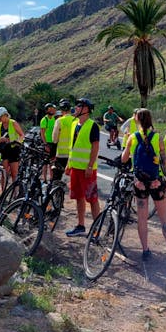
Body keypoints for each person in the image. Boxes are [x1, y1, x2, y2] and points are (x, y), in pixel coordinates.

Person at [121, 108, 166, 263]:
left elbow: (124, 159)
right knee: (164, 217)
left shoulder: (132, 137)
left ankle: (145, 250)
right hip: (156, 181)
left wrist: (126, 141)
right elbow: (163, 160)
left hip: (139, 183)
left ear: (137, 120)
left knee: (142, 217)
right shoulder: (158, 137)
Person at [65, 97, 101, 237]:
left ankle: (96, 230)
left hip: (87, 169)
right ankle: (80, 226)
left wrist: (90, 166)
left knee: (92, 199)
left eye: (79, 106)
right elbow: (73, 146)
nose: (76, 108)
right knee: (78, 197)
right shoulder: (75, 124)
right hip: (75, 167)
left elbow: (95, 147)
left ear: (86, 109)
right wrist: (69, 163)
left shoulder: (93, 126)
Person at [0, 107, 25, 185]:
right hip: (4, 150)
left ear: (5, 115)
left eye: (0, 117)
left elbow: (22, 135)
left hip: (14, 149)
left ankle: (15, 193)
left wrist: (18, 142)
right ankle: (3, 192)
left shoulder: (13, 123)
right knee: (4, 173)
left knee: (14, 173)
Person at [52, 99, 75, 177]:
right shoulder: (76, 120)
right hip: (73, 154)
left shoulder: (59, 121)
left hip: (61, 154)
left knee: (57, 177)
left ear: (62, 110)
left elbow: (54, 139)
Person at [40, 102, 57, 181]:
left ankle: (51, 178)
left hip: (53, 143)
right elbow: (42, 133)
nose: (52, 110)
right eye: (50, 109)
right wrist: (45, 144)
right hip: (47, 143)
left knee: (52, 162)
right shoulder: (44, 120)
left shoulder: (55, 119)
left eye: (52, 109)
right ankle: (44, 178)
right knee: (45, 162)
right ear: (46, 110)